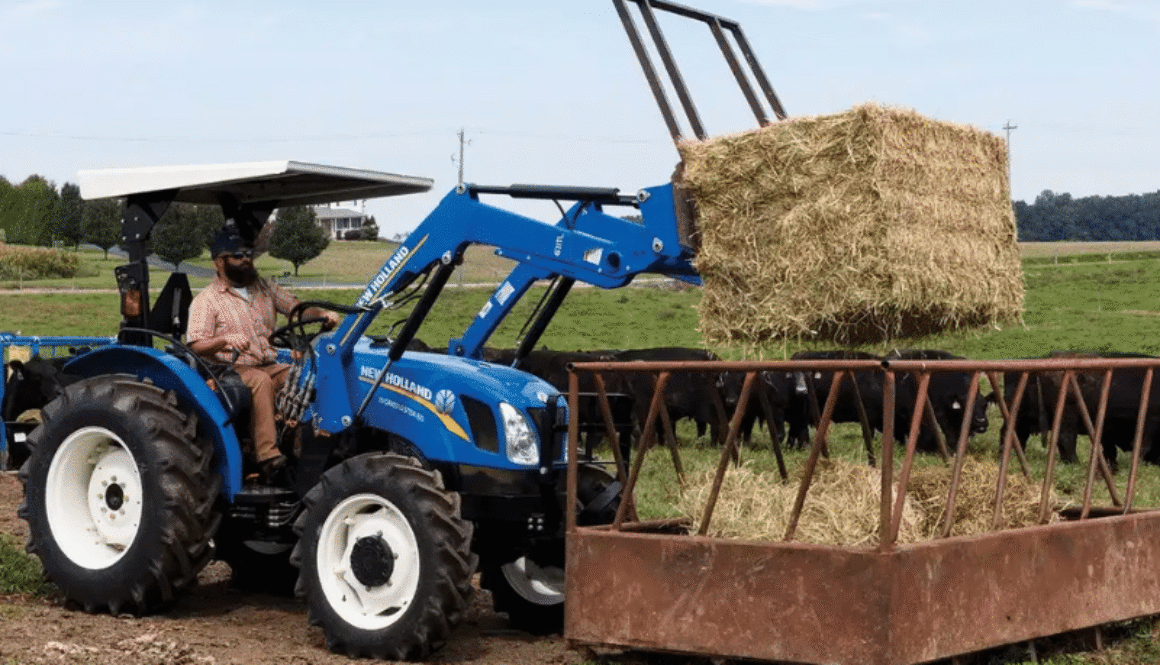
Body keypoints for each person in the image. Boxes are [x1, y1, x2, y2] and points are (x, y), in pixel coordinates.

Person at [187, 227, 341, 485]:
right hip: (228, 369)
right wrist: (224, 340)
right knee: (260, 381)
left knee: (306, 374)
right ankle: (267, 457)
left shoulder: (265, 288)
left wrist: (321, 315)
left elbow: (297, 310)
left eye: (248, 254)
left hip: (267, 363)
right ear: (219, 262)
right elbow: (196, 345)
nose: (246, 260)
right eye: (237, 256)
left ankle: (312, 440)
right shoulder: (207, 300)